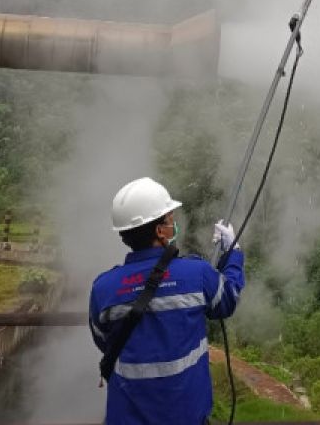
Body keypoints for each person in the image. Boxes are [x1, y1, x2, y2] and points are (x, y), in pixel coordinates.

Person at [89, 177, 245, 425]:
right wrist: (234, 253)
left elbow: (104, 340)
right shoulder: (196, 274)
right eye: (170, 220)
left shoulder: (103, 289)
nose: (174, 225)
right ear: (161, 232)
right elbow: (228, 300)